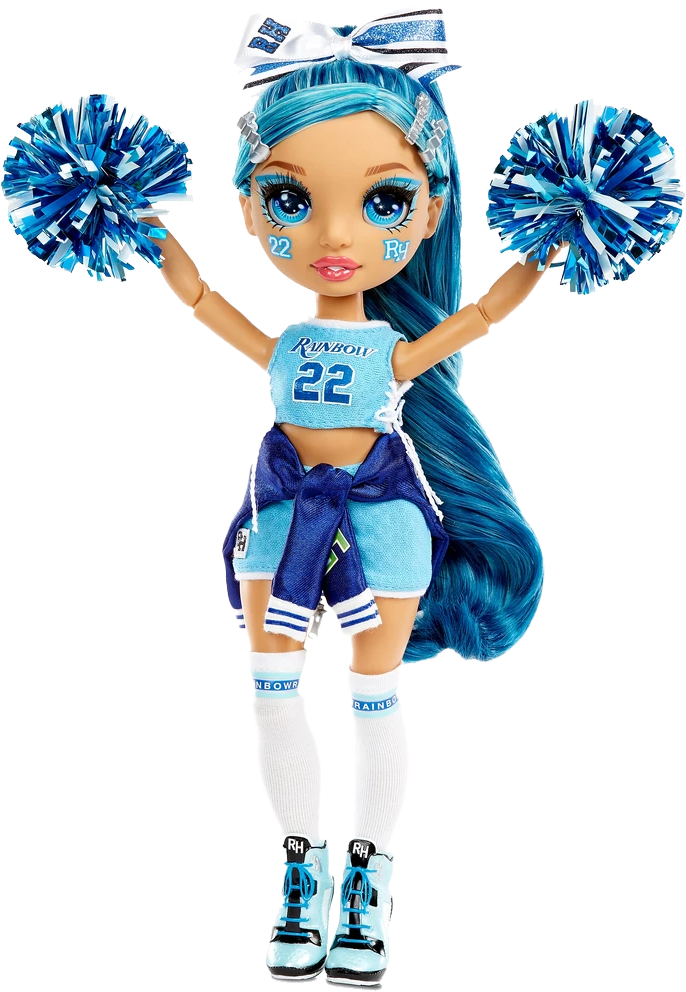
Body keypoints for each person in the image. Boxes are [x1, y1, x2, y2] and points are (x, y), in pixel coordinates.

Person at [143, 8, 562, 984]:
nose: (335, 236)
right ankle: (302, 865)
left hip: (381, 517)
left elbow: (478, 317)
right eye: (290, 198)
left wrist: (551, 242)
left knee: (373, 697)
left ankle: (368, 873)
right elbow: (203, 301)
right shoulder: (285, 345)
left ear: (430, 209)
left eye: (384, 201)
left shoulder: (390, 349)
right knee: (271, 689)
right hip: (280, 515)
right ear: (250, 206)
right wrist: (141, 224)